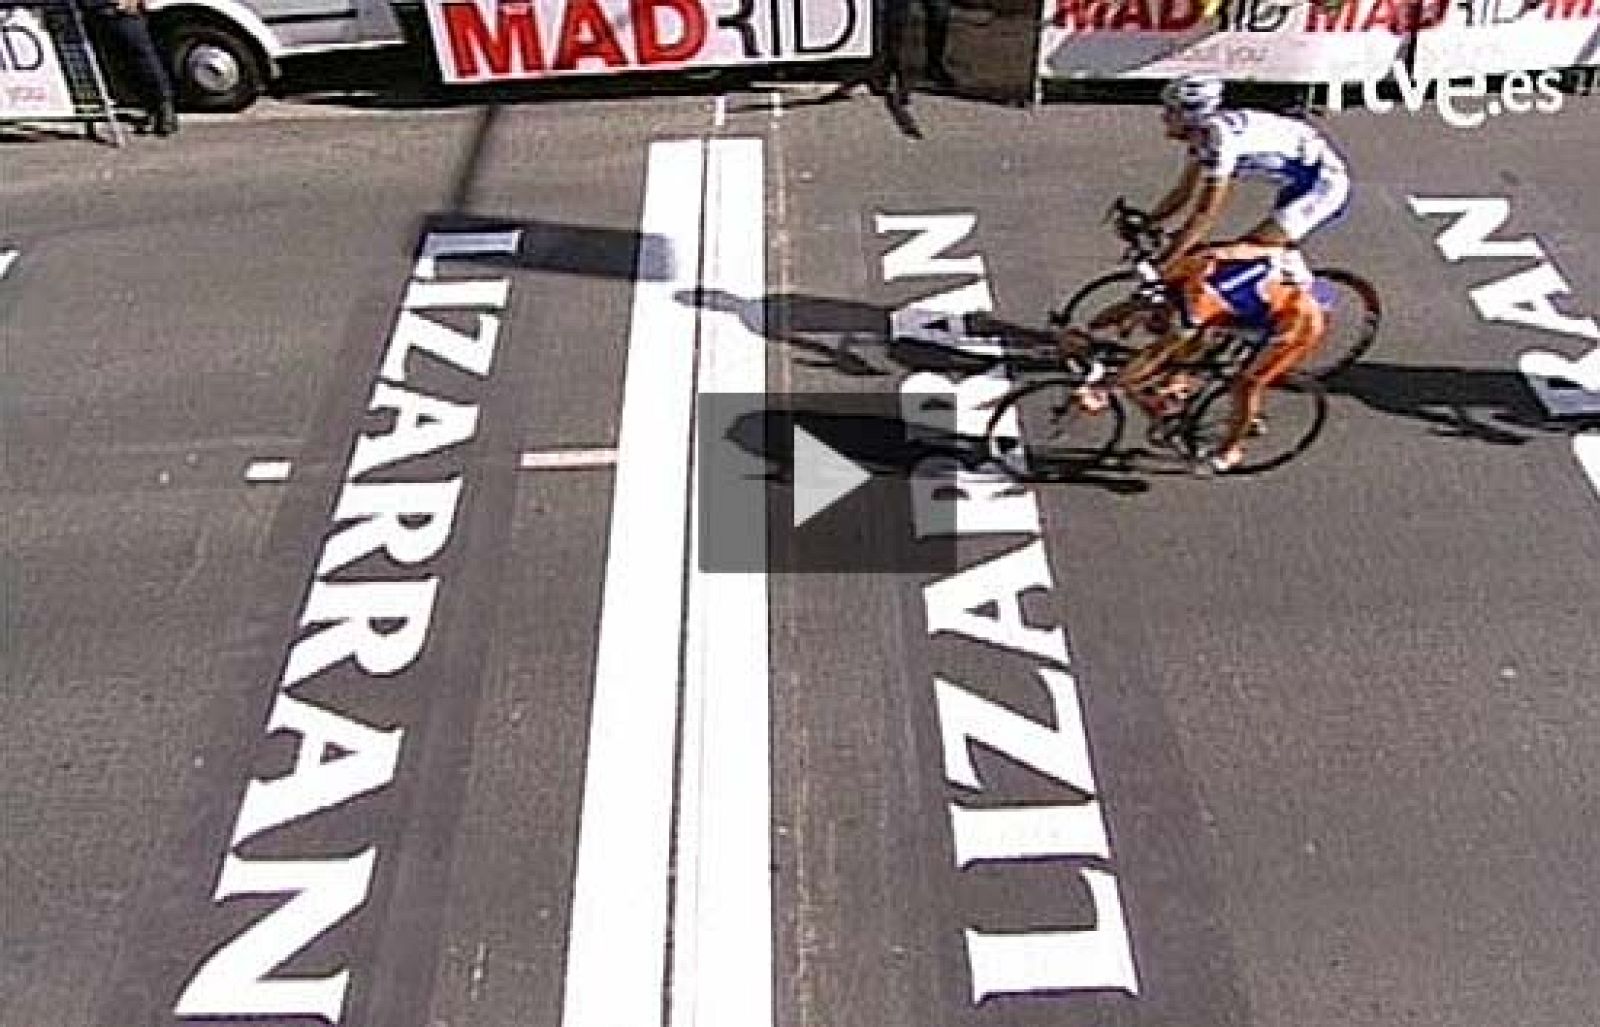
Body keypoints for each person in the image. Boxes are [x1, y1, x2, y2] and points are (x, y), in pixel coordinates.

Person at [1066, 241, 1326, 473]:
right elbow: (1147, 300)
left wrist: (1104, 387)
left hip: (1296, 323)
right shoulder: (1200, 260)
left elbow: (1155, 352)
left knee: (1244, 383)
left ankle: (1230, 450)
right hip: (1266, 291)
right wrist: (1086, 333)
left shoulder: (1201, 302)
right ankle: (1174, 388)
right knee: (1183, 343)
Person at [1149, 74, 1349, 284]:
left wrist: (1169, 257)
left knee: (1245, 255)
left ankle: (1307, 301)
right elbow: (1183, 192)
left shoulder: (1221, 141)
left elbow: (1206, 213)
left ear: (1189, 115)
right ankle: (1286, 276)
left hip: (1324, 186)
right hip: (1297, 183)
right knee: (1250, 255)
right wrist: (1148, 221)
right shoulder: (1202, 137)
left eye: (1171, 111)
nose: (1163, 117)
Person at [85, 0, 178, 136]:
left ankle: (164, 109)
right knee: (124, 64)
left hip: (123, 10)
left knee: (143, 58)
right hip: (99, 10)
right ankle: (152, 110)